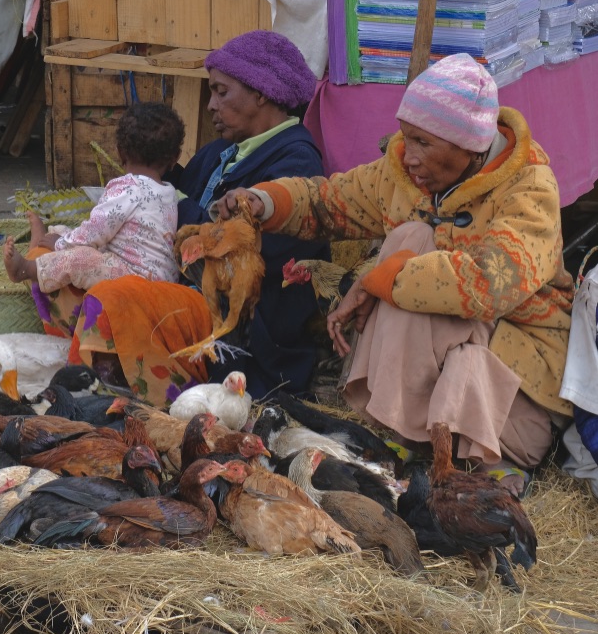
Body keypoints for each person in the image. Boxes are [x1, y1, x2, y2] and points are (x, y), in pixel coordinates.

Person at [222, 53, 575, 496]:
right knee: (412, 237)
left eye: (424, 142)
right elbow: (331, 201)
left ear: (469, 146)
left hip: (515, 375)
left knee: (412, 245)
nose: (407, 155)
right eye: (406, 137)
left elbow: (487, 284)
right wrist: (264, 202)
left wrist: (377, 278)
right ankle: (404, 436)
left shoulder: (530, 188)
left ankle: (484, 459)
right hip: (448, 357)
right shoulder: (405, 172)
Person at [166, 30, 330, 399]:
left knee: (125, 300)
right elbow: (187, 195)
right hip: (199, 295)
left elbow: (249, 255)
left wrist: (171, 202)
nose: (211, 105)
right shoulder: (219, 152)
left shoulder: (298, 162)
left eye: (221, 92)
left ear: (261, 92)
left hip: (252, 331)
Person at [3, 102, 182, 292]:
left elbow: (94, 231)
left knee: (80, 257)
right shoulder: (170, 193)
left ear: (120, 152)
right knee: (65, 232)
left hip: (134, 281)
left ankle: (26, 269)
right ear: (174, 158)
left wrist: (60, 244)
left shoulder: (127, 188)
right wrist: (62, 239)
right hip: (163, 282)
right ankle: (40, 244)